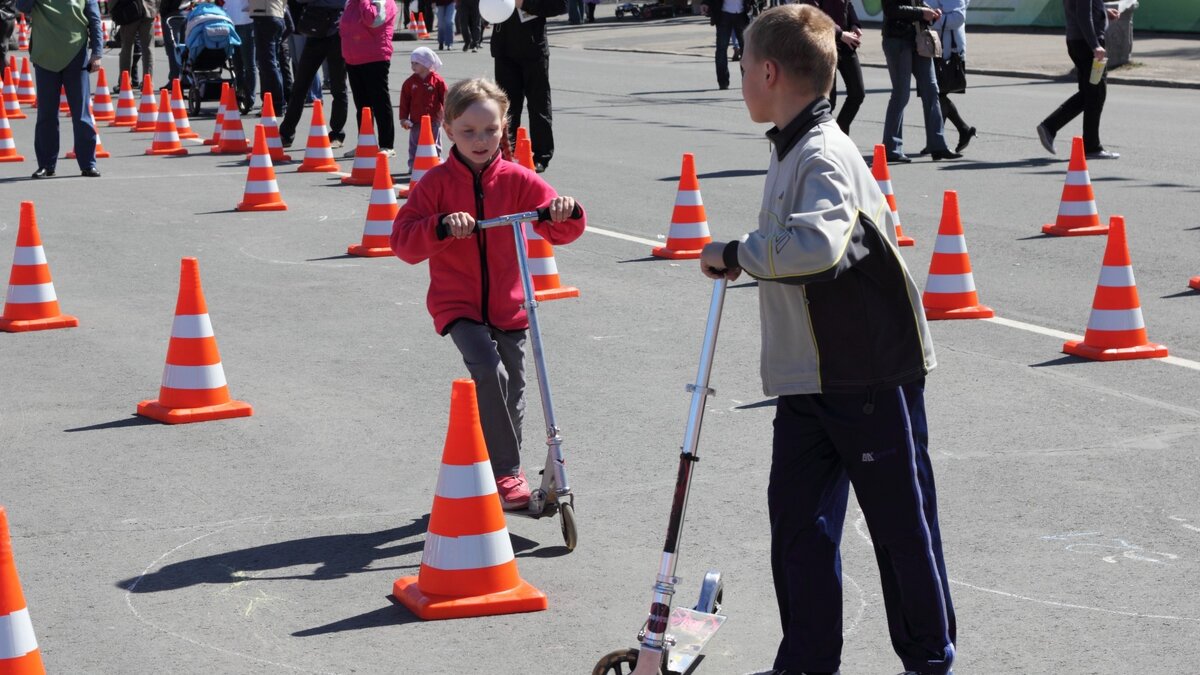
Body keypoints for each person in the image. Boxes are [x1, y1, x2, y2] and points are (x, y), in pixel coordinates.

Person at [697, 6, 956, 674]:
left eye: (744, 64)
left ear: (772, 71)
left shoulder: (823, 153)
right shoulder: (791, 144)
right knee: (799, 528)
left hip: (867, 373)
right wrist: (748, 256)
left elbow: (817, 245)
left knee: (901, 529)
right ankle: (808, 660)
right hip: (809, 376)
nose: (740, 77)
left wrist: (737, 250)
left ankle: (929, 658)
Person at [390, 78, 586, 509]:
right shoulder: (436, 184)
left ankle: (492, 466)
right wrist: (440, 226)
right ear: (448, 130)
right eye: (468, 132)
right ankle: (507, 473)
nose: (480, 141)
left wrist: (565, 210)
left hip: (511, 305)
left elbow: (564, 228)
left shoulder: (518, 179)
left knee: (513, 390)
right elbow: (402, 242)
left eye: (490, 130)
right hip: (457, 305)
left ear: (505, 127)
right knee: (489, 370)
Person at [16, 0, 103, 178]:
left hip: (76, 55)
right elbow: (21, 7)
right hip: (45, 56)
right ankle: (46, 165)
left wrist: (97, 52)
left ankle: (88, 163)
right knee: (46, 114)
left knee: (81, 114)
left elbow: (94, 19)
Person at [1037, 0, 1120, 159]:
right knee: (1096, 93)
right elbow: (1083, 14)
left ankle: (1050, 127)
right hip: (1087, 43)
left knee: (1089, 93)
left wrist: (1103, 10)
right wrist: (1095, 45)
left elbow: (1081, 7)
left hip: (1077, 41)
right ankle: (1091, 147)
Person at [490, 0, 565, 172]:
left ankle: (541, 156)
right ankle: (506, 152)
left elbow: (558, 6)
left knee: (539, 104)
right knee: (506, 107)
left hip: (533, 50)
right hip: (504, 51)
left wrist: (523, 3)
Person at [881, 0, 959, 162]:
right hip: (897, 39)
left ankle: (937, 145)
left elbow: (917, 2)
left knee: (931, 90)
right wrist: (922, 12)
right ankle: (891, 148)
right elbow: (891, 9)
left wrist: (930, 11)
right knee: (901, 94)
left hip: (919, 38)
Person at [279, 0, 348, 149]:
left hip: (337, 32)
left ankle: (336, 134)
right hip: (316, 31)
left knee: (338, 87)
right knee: (300, 85)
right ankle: (286, 134)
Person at [341, 0, 396, 155]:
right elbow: (345, 27)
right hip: (353, 58)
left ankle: (387, 145)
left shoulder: (384, 2)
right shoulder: (351, 3)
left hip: (375, 57)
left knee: (380, 102)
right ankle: (365, 143)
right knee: (362, 106)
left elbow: (371, 20)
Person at [808, 0, 864, 134]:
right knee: (828, 101)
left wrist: (854, 24)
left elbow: (848, 5)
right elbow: (815, 15)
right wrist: (840, 33)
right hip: (825, 46)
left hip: (846, 45)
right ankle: (824, 138)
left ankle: (839, 133)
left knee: (857, 94)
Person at [928, 0, 975, 153]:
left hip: (948, 50)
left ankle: (936, 140)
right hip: (933, 46)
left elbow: (958, 17)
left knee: (937, 94)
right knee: (936, 94)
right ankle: (959, 131)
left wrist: (931, 19)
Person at [398, 47, 446, 172]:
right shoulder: (409, 83)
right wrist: (403, 118)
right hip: (415, 121)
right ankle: (413, 165)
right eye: (412, 63)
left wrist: (446, 114)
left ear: (426, 63)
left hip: (433, 120)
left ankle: (436, 161)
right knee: (414, 144)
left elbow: (446, 98)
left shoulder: (437, 81)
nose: (413, 66)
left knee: (434, 142)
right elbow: (404, 101)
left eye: (416, 63)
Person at [700, 0, 750, 91]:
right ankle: (723, 82)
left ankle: (747, 80)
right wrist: (705, 3)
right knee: (721, 49)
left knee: (746, 49)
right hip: (723, 14)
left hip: (742, 14)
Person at [249, 0, 286, 111]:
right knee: (273, 63)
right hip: (277, 15)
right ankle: (273, 103)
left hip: (264, 15)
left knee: (268, 64)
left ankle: (276, 104)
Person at [225, 0, 257, 111]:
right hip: (230, 23)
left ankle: (250, 99)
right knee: (237, 65)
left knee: (249, 64)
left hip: (246, 23)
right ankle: (240, 96)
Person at [117, 0, 157, 85]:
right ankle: (148, 83)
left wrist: (114, 10)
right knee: (148, 48)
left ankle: (125, 83)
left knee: (126, 48)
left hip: (129, 10)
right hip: (148, 9)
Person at [160, 0, 184, 88]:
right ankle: (185, 78)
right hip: (187, 10)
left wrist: (164, 10)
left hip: (172, 12)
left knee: (173, 47)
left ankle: (175, 79)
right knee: (184, 46)